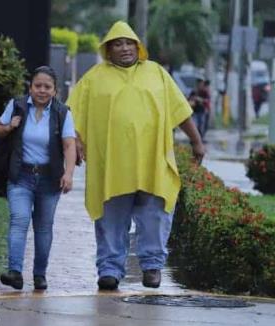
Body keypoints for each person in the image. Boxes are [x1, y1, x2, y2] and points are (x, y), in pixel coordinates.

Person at [67, 21, 206, 291]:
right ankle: (109, 269)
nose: (124, 48)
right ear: (109, 49)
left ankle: (152, 266)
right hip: (112, 165)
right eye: (117, 44)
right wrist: (77, 142)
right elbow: (71, 114)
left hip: (151, 163)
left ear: (138, 46)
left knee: (155, 217)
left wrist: (196, 141)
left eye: (129, 42)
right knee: (110, 219)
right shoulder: (94, 77)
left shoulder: (156, 73)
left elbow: (181, 111)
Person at [0, 66, 77, 290]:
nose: (42, 90)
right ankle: (15, 272)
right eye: (37, 86)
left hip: (49, 179)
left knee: (43, 227)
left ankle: (40, 275)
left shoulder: (62, 112)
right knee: (19, 221)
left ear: (55, 91)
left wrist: (68, 174)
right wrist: (10, 126)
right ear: (30, 88)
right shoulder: (17, 105)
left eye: (47, 87)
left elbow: (69, 145)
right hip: (21, 175)